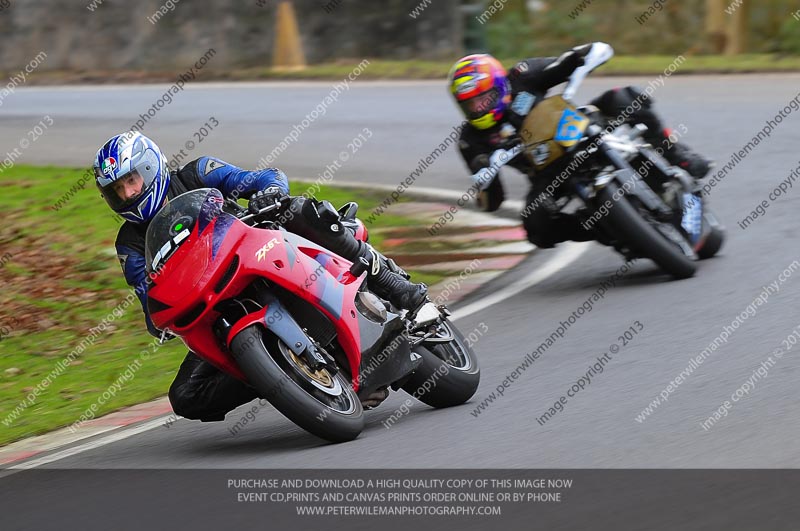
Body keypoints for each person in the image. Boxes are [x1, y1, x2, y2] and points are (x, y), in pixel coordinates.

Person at [93, 131, 426, 420]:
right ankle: (284, 379)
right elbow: (146, 293)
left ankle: (394, 284)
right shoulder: (129, 244)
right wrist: (158, 319)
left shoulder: (197, 172)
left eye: (131, 182)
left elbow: (258, 179)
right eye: (117, 190)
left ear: (150, 167)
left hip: (259, 245)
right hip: (215, 301)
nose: (127, 195)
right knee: (186, 397)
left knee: (296, 209)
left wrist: (268, 192)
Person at [448, 42, 712, 249]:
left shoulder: (522, 75)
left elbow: (562, 66)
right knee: (536, 225)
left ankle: (680, 157)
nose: (479, 108)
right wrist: (482, 180)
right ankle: (607, 229)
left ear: (498, 85)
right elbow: (492, 200)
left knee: (623, 97)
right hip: (546, 174)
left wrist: (580, 56)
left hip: (580, 129)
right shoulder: (470, 139)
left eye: (484, 99)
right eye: (470, 104)